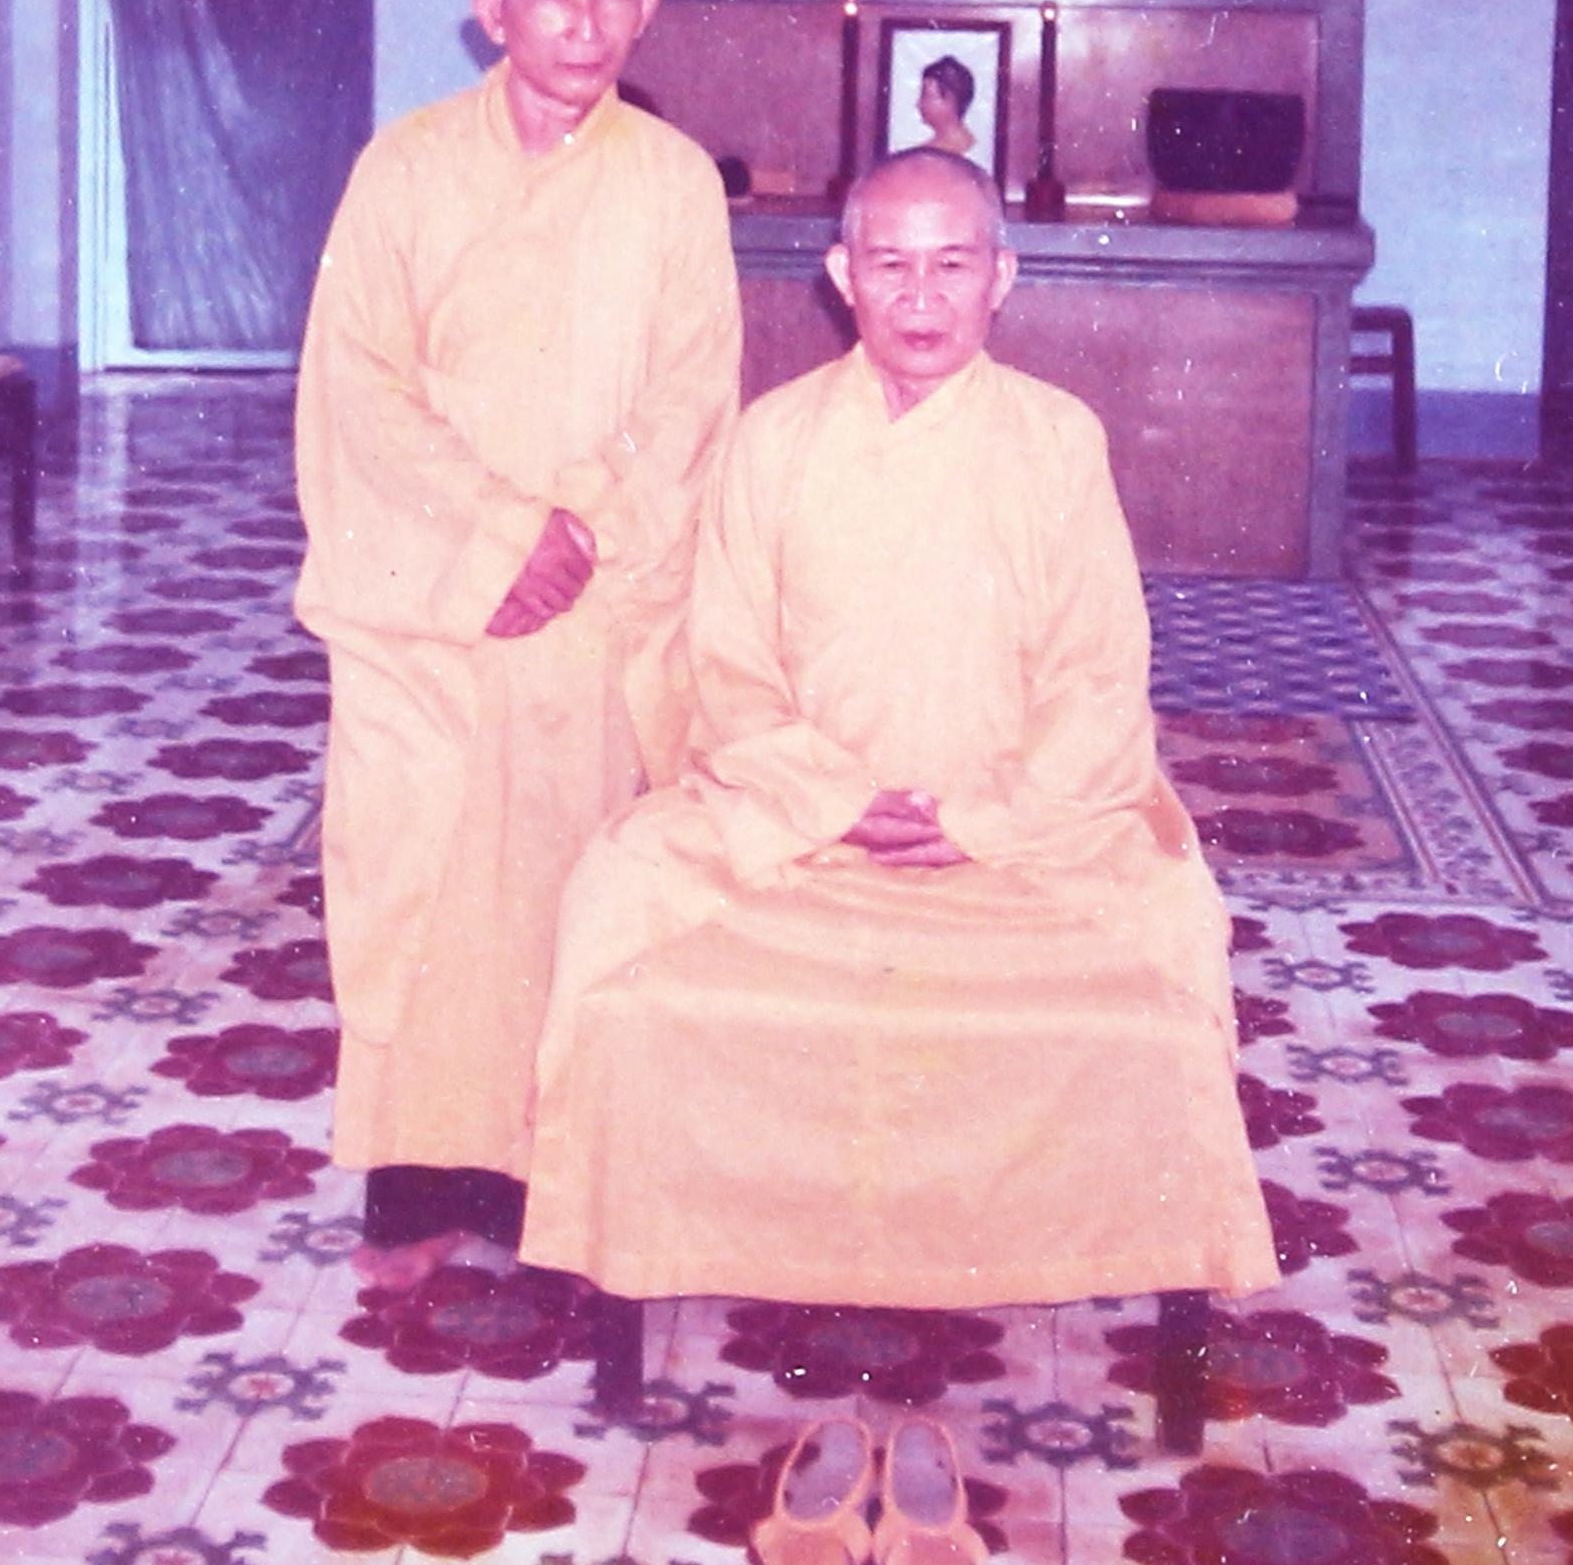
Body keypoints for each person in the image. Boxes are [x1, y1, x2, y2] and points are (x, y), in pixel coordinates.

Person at [520, 146, 1278, 1313]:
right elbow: (728, 664)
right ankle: (649, 1235)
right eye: (890, 266)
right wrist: (832, 800)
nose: (920, 297)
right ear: (843, 274)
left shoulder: (1056, 438)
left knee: (1174, 927)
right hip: (802, 827)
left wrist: (981, 817)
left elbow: (1097, 678)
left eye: (951, 265)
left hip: (1021, 839)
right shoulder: (772, 437)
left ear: (1000, 277)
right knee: (616, 895)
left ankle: (1105, 1239)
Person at [294, 0, 742, 1287]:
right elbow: (358, 387)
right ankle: (420, 1187)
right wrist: (498, 538)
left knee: (583, 889)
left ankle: (571, 1197)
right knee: (430, 891)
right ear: (493, 12)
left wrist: (576, 533)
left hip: (600, 603)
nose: (583, 24)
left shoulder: (673, 181)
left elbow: (692, 391)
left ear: (644, 8)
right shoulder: (405, 168)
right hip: (444, 599)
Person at [915, 53, 975, 157]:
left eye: (924, 95)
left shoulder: (970, 152)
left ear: (949, 99)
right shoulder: (925, 152)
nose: (919, 104)